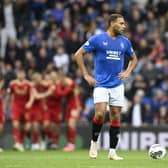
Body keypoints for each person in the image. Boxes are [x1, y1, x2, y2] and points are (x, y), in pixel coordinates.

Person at [75, 13, 137, 160]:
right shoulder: (98, 39)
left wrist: (127, 72)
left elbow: (134, 59)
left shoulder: (125, 42)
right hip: (101, 84)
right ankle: (94, 143)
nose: (124, 26)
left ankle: (112, 152)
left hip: (117, 85)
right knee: (100, 114)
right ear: (112, 23)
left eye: (124, 23)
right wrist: (85, 75)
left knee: (115, 116)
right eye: (121, 23)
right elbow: (78, 54)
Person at [4, 69, 32, 151]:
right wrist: (5, 106)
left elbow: (32, 95)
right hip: (16, 106)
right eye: (19, 73)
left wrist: (30, 102)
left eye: (22, 73)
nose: (21, 75)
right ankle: (17, 143)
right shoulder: (12, 83)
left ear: (25, 74)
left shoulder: (28, 84)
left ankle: (22, 142)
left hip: (26, 107)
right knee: (16, 124)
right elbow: (9, 95)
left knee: (25, 127)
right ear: (17, 74)